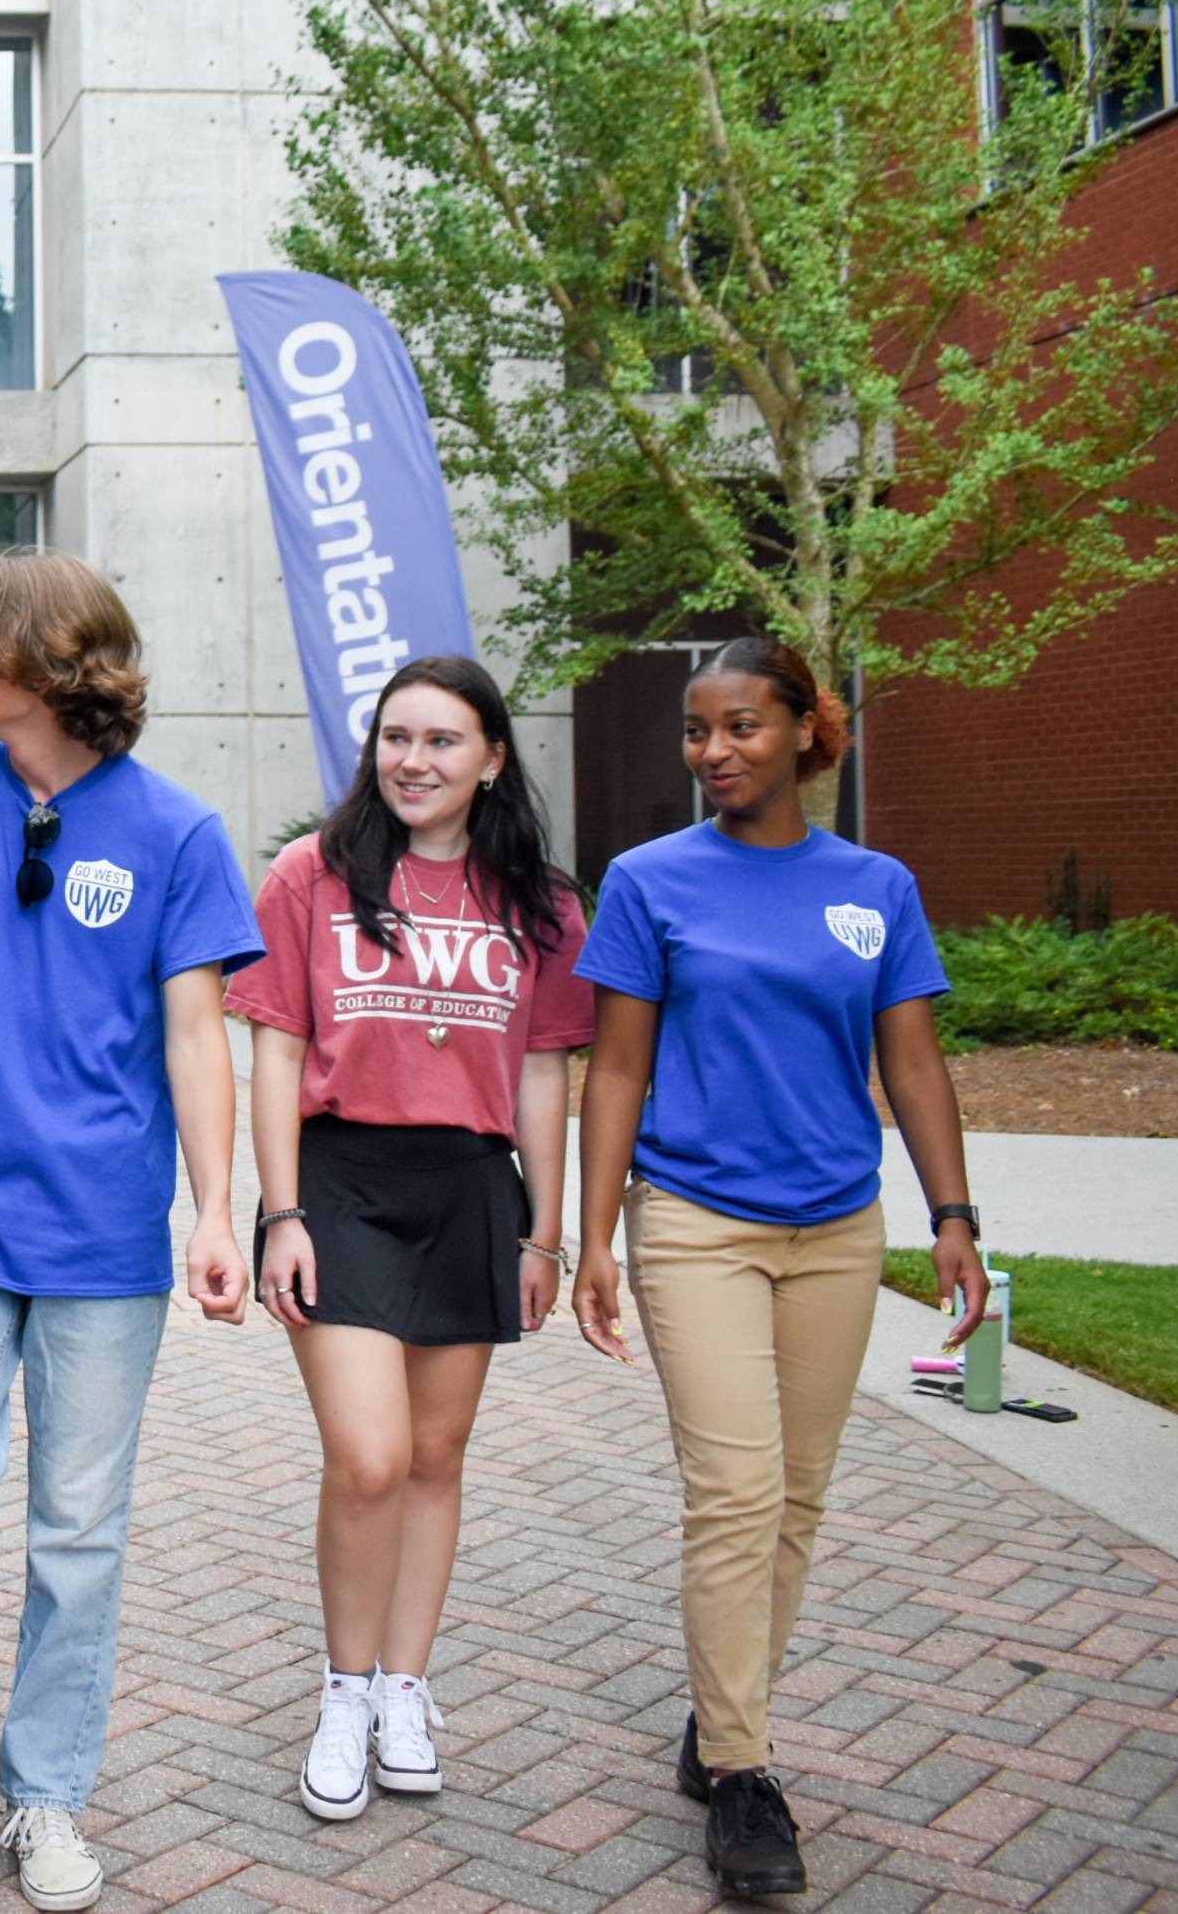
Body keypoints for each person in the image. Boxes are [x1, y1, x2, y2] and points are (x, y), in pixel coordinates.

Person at [0, 548, 259, 1914]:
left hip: (103, 1236)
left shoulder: (176, 832)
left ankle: (44, 1792)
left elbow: (197, 1034)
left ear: (42, 658)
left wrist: (217, 1208)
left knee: (76, 1530)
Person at [570, 637, 990, 1901]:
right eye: (696, 731)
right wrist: (591, 1239)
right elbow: (616, 1070)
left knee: (796, 1498)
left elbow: (908, 1062)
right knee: (735, 1493)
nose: (712, 752)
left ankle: (719, 1716)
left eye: (740, 726)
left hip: (836, 1233)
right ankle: (742, 1775)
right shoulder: (648, 881)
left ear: (807, 730)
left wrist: (952, 1215)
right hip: (694, 1222)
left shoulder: (875, 886)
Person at [225, 657, 591, 1824]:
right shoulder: (311, 875)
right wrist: (279, 1211)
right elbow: (275, 1050)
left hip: (469, 1189)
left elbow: (543, 1074)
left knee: (435, 1458)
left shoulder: (540, 903)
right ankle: (342, 1694)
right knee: (370, 1457)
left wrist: (543, 1234)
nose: (412, 761)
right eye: (395, 738)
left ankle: (402, 1691)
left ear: (490, 759)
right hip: (338, 1186)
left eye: (440, 741)